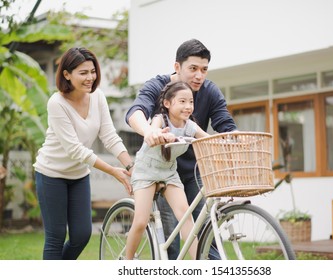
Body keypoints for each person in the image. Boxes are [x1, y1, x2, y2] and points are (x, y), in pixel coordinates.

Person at [125, 39, 237, 259]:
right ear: (177, 67)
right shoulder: (159, 87)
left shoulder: (209, 91)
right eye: (193, 69)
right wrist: (150, 132)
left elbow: (224, 123)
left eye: (204, 70)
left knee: (203, 228)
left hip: (190, 170)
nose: (199, 76)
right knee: (170, 238)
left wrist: (232, 141)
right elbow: (136, 111)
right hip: (155, 167)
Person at [33, 47, 134, 260]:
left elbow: (109, 135)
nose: (90, 77)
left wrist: (129, 166)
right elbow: (75, 149)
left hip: (78, 176)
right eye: (83, 73)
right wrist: (112, 171)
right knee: (56, 236)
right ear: (67, 74)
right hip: (51, 174)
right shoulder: (57, 103)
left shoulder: (97, 97)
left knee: (82, 235)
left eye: (92, 71)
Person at [126, 81, 209, 260]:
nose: (188, 106)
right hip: (145, 171)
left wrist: (225, 142)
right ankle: (126, 262)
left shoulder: (190, 126)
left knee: (186, 217)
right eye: (182, 101)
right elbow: (153, 131)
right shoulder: (160, 119)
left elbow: (208, 139)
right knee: (140, 221)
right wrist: (160, 135)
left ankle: (200, 264)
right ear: (167, 103)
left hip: (168, 172)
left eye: (191, 102)